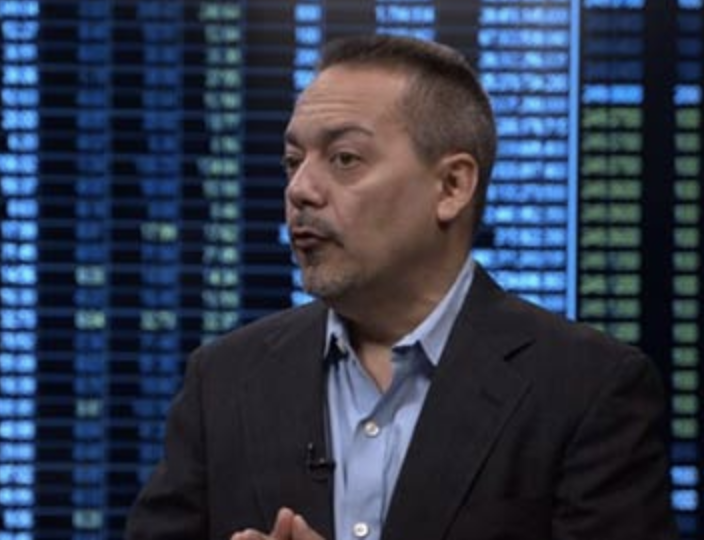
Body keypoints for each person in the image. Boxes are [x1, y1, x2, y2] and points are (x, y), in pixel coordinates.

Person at [126, 34, 677, 540]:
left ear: (452, 186)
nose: (300, 189)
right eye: (293, 161)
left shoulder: (588, 390)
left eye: (344, 159)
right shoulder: (223, 379)